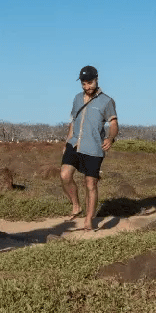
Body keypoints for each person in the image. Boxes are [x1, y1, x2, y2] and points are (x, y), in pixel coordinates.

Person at [60, 65, 118, 231]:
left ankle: (88, 219)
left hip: (93, 147)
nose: (87, 87)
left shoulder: (107, 101)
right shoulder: (77, 98)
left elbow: (113, 123)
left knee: (90, 183)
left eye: (90, 83)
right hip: (74, 144)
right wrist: (67, 141)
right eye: (84, 84)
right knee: (64, 175)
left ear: (97, 79)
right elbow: (73, 121)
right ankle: (76, 206)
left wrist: (111, 137)